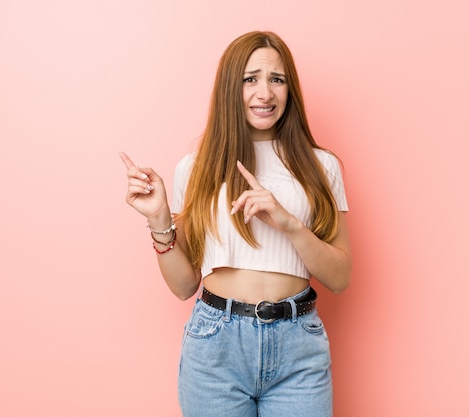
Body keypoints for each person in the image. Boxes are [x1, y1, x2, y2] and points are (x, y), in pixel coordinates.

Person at [120, 30, 351, 417]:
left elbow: (340, 277)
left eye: (277, 80)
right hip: (216, 344)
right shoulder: (195, 168)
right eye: (250, 79)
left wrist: (289, 224)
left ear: (289, 89)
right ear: (231, 88)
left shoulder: (321, 166)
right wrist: (160, 218)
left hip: (298, 346)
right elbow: (183, 285)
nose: (265, 93)